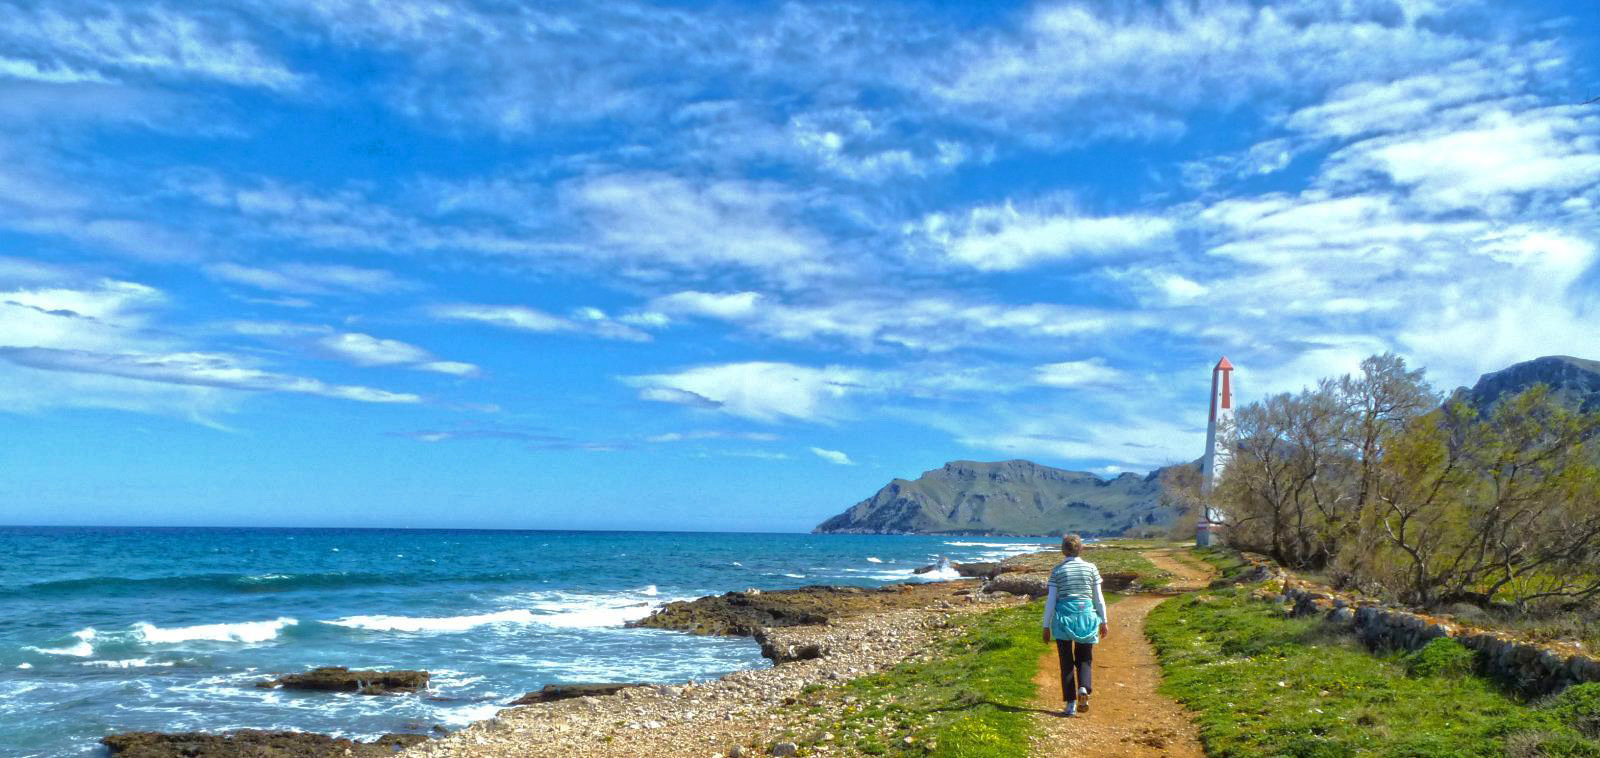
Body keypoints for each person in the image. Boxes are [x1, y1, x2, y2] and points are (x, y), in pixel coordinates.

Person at [1041, 534, 1107, 717]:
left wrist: (1046, 626)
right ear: (1081, 549)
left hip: (1063, 618)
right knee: (1085, 658)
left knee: (1066, 662)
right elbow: (1098, 599)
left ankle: (1070, 704)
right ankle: (1084, 688)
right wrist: (1104, 621)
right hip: (1086, 615)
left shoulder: (1057, 571)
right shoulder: (1091, 569)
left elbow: (1051, 601)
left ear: (1063, 550)